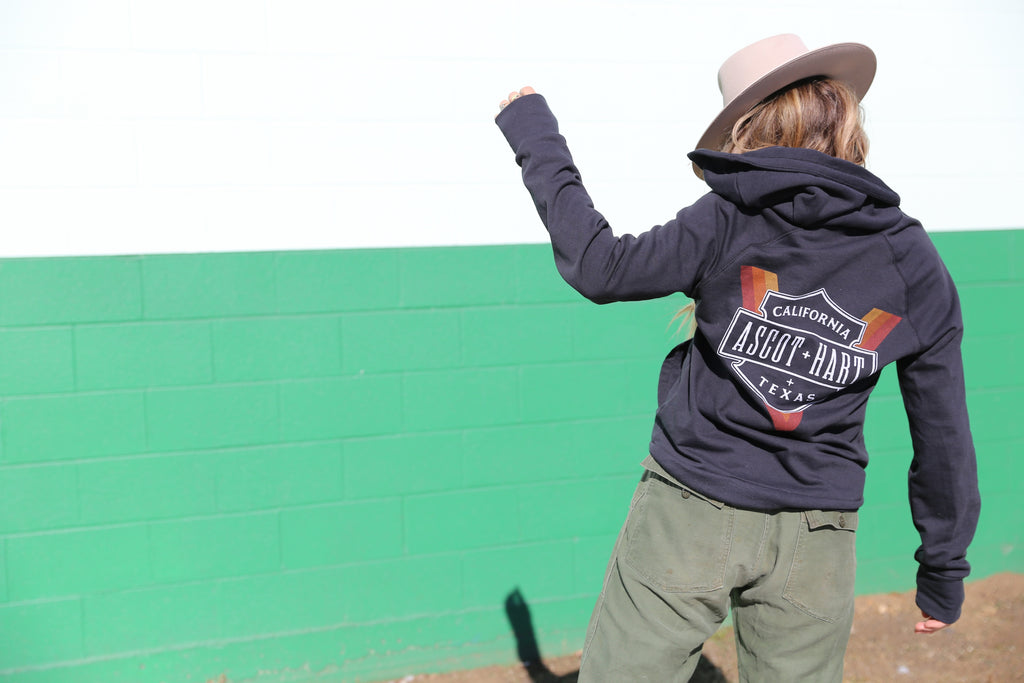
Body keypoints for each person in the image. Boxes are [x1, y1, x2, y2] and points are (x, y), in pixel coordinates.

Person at [493, 34, 980, 682]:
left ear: (749, 127)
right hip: (817, 536)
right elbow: (943, 433)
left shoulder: (729, 216)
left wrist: (536, 136)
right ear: (843, 118)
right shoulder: (910, 258)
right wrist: (942, 568)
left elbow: (599, 266)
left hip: (688, 509)